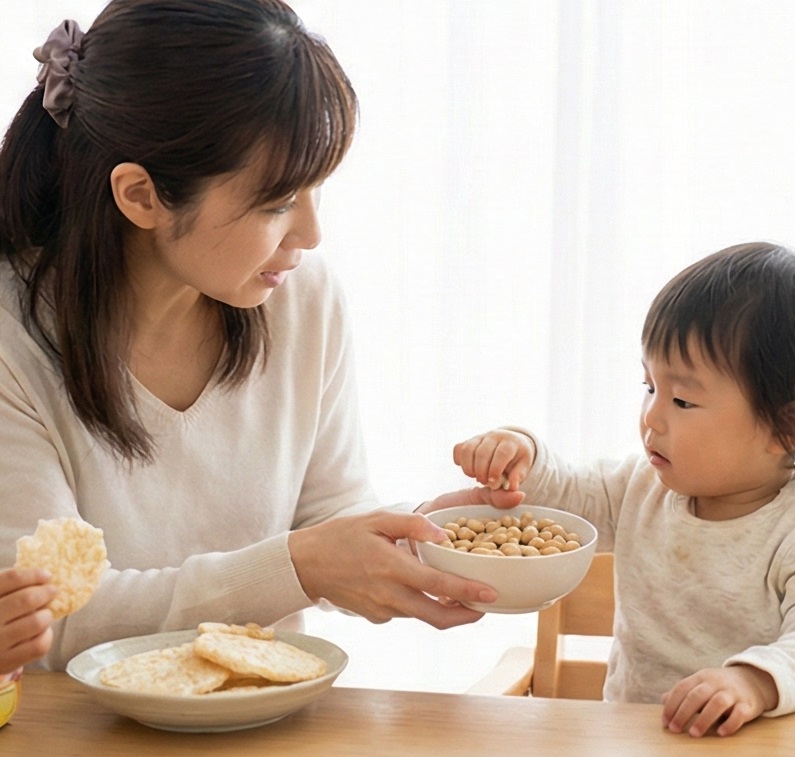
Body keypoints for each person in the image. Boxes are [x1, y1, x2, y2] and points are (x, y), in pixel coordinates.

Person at [0, 0, 499, 671]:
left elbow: (327, 511)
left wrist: (420, 536)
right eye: (277, 203)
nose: (311, 235)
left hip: (271, 718)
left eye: (315, 190)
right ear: (141, 195)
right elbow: (56, 613)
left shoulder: (301, 298)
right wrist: (300, 567)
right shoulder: (13, 335)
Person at [452, 242, 795, 737]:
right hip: (643, 738)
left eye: (681, 399)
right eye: (649, 387)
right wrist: (521, 453)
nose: (652, 416)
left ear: (785, 427)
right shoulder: (640, 489)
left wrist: (755, 683)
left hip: (773, 745)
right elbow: (565, 495)